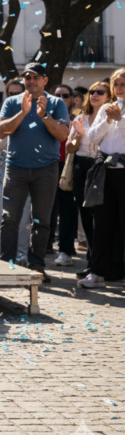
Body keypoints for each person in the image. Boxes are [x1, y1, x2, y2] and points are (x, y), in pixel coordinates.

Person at [0, 63, 69, 282]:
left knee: (42, 221)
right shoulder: (12, 102)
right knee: (9, 218)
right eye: (28, 77)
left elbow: (62, 135)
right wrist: (23, 112)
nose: (31, 81)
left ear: (45, 80)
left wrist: (44, 115)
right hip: (16, 168)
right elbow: (1, 131)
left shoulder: (56, 103)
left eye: (36, 77)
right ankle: (6, 265)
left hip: (46, 169)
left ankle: (37, 265)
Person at [78, 69, 125, 288]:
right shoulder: (107, 108)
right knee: (102, 224)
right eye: (116, 84)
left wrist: (120, 120)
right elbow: (93, 136)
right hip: (105, 171)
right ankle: (97, 273)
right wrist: (108, 119)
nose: (119, 88)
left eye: (123, 84)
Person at [66, 82, 109, 281]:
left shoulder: (111, 118)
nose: (94, 95)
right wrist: (77, 136)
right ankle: (92, 263)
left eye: (100, 92)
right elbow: (69, 148)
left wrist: (85, 133)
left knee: (100, 217)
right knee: (85, 216)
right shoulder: (80, 118)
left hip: (101, 166)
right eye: (92, 92)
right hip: (81, 166)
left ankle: (101, 264)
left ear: (108, 97)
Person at [49, 83, 78, 264]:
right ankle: (44, 245)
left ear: (72, 99)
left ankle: (66, 250)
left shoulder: (78, 119)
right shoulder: (45, 117)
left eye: (65, 96)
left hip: (68, 166)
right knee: (46, 209)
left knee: (68, 210)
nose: (61, 99)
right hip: (47, 166)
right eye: (57, 96)